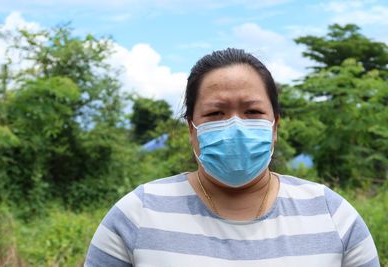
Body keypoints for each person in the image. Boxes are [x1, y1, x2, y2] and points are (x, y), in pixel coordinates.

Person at [84, 48, 380, 266]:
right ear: (192, 129)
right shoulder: (136, 215)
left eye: (252, 111)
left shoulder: (333, 215)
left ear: (274, 126)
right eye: (215, 113)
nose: (235, 125)